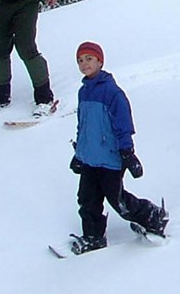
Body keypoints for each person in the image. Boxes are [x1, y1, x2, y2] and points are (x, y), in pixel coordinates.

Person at [69, 41, 168, 255]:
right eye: (80, 60)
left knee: (118, 200)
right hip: (89, 158)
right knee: (87, 199)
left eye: (89, 59)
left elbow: (124, 124)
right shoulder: (83, 92)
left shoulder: (112, 92)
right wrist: (79, 154)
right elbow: (83, 125)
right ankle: (94, 237)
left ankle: (153, 215)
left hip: (111, 158)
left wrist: (127, 152)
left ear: (100, 61)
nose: (84, 64)